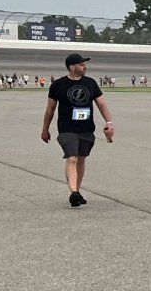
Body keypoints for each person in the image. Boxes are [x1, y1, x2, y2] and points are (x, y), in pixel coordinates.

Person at [40, 53, 115, 206]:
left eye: (84, 64)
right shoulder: (58, 85)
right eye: (81, 64)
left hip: (86, 129)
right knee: (72, 157)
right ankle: (73, 191)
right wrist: (45, 129)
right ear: (72, 67)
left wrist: (109, 122)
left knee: (81, 159)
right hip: (67, 129)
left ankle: (77, 192)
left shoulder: (90, 83)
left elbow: (101, 104)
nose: (85, 67)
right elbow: (50, 109)